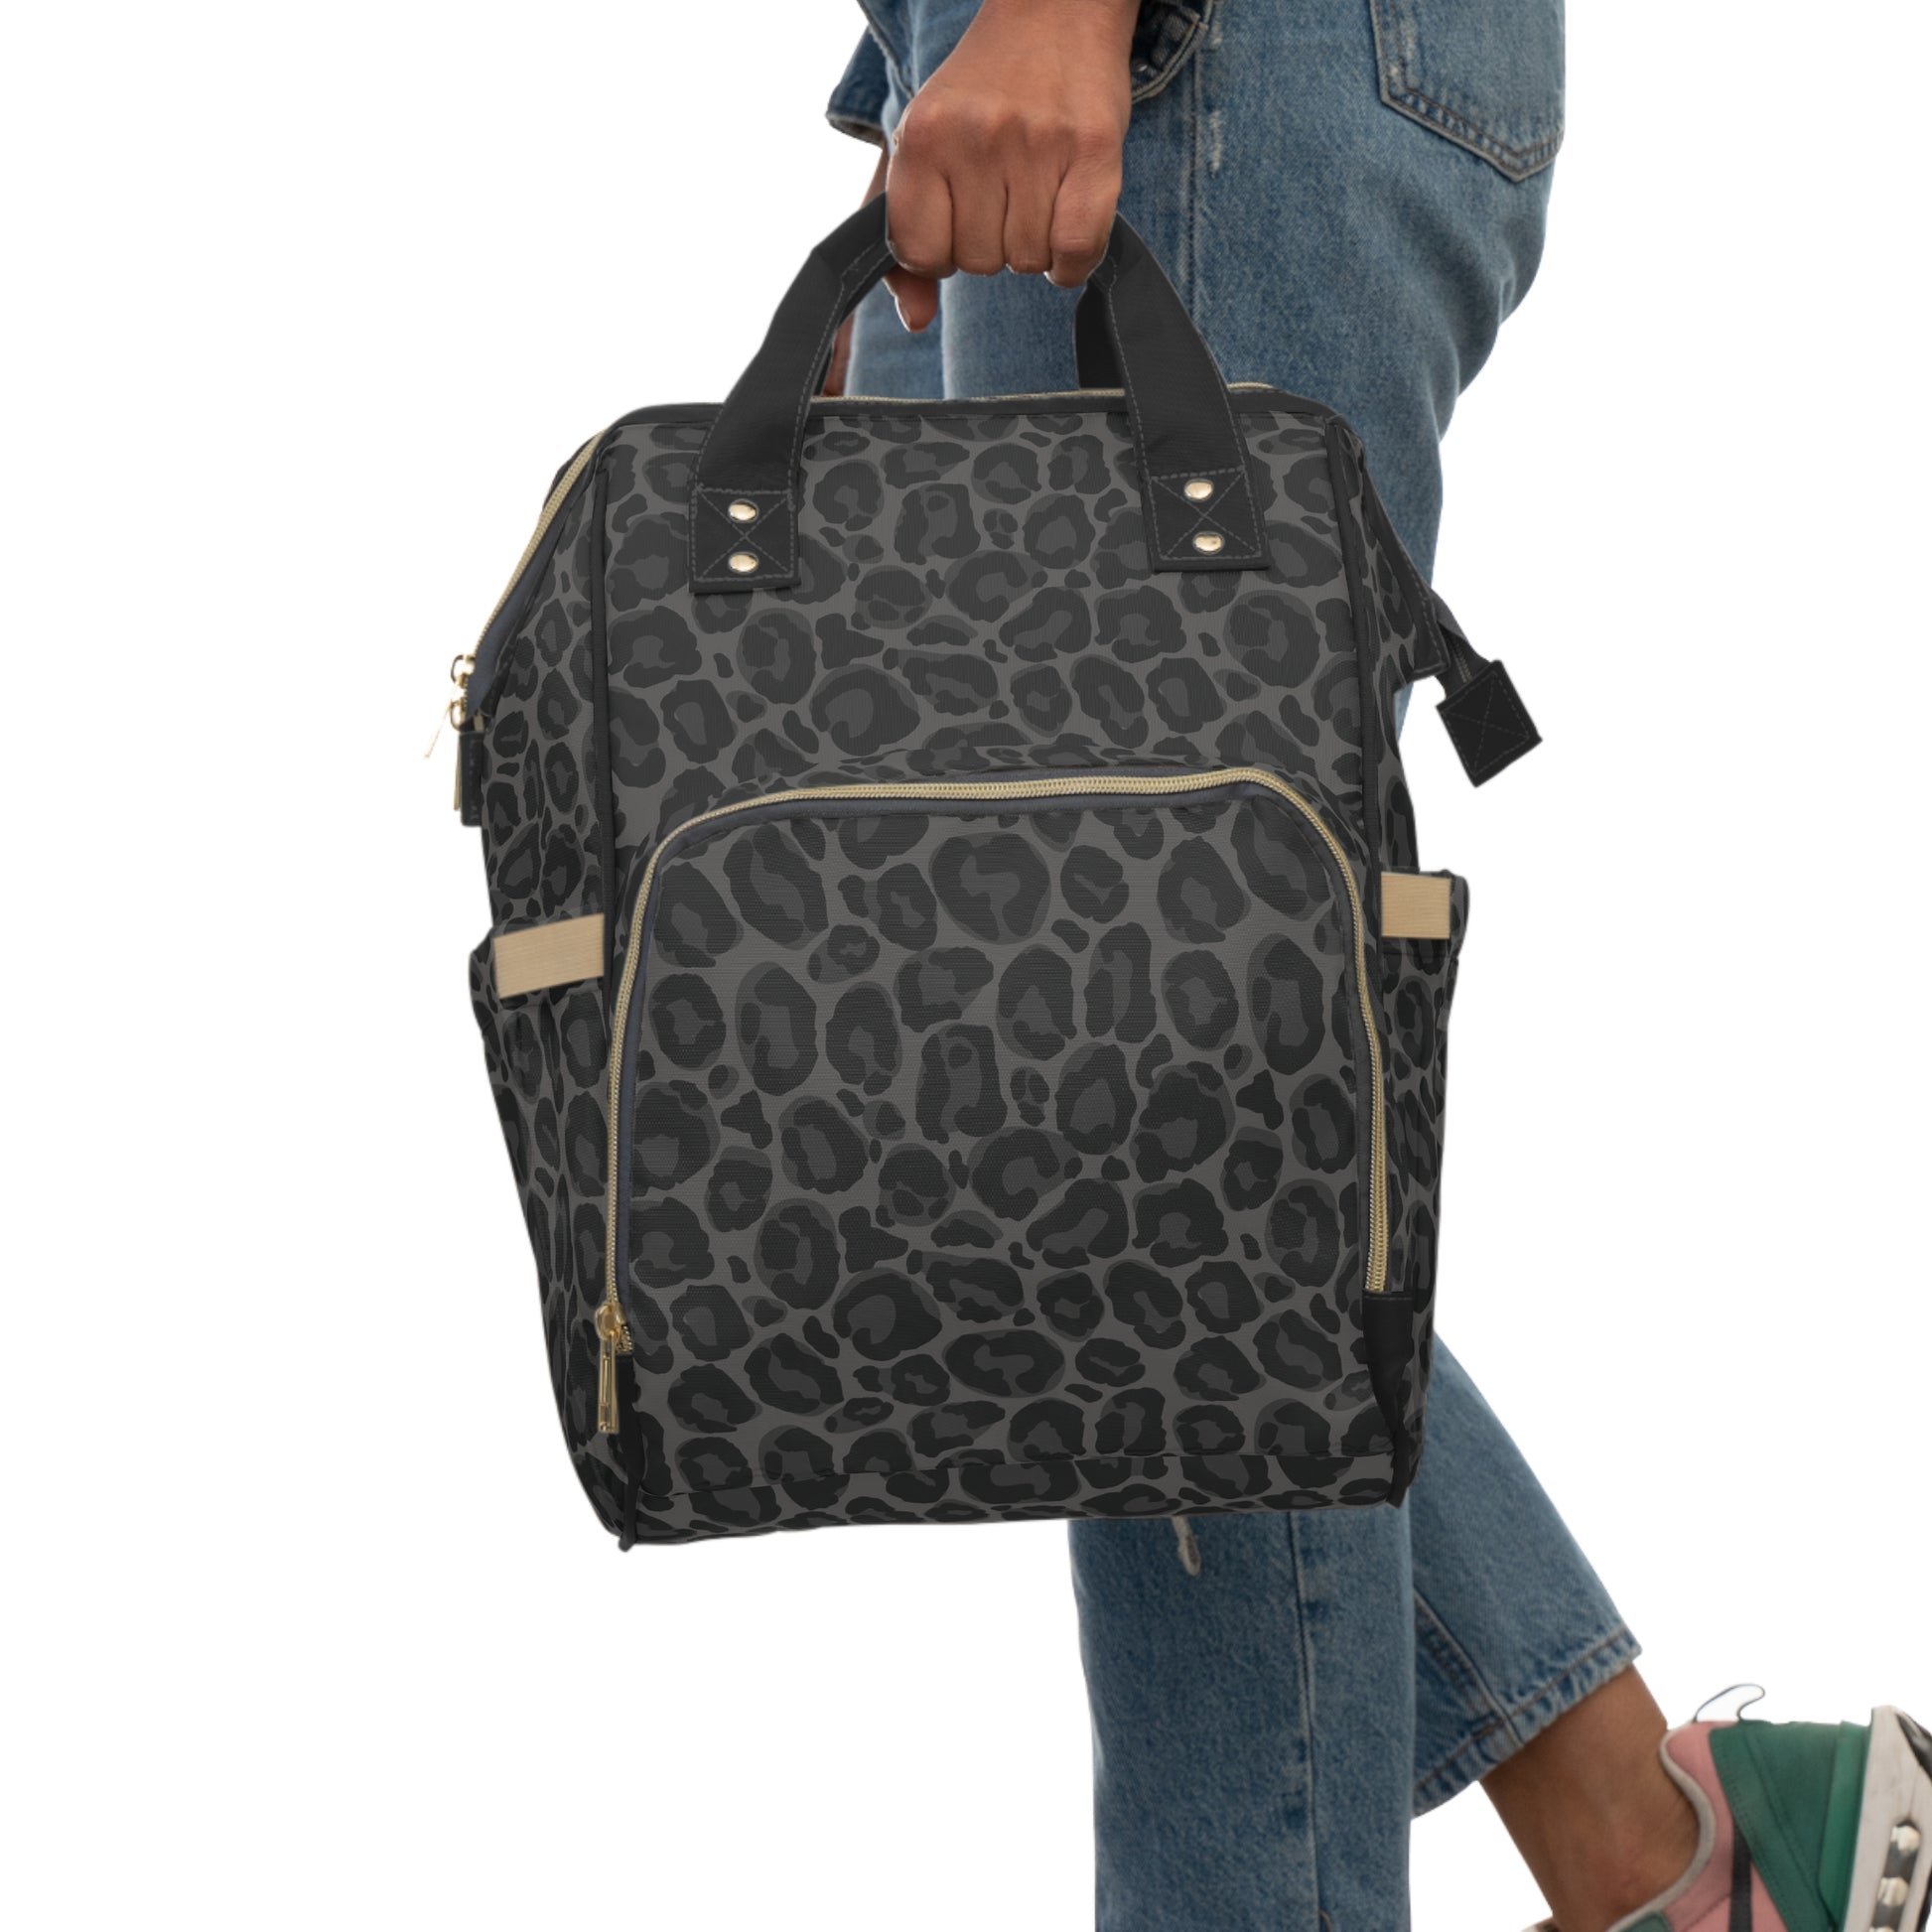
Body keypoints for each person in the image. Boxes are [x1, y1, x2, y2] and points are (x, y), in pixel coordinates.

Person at [817, 5, 1929, 1930]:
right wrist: (916, 105)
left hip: (1203, 75)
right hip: (1151, 88)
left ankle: (1646, 1856)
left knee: (1152, 1089)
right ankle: (1671, 1854)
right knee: (1126, 1086)